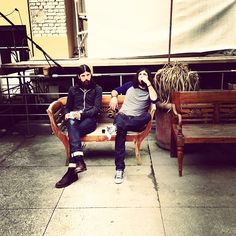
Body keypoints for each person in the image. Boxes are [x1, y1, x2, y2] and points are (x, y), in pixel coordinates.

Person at [107, 67, 158, 184]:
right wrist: (114, 97)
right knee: (121, 129)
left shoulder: (150, 90)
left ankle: (115, 127)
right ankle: (119, 169)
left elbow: (154, 99)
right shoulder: (130, 85)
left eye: (145, 74)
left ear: (148, 77)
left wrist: (149, 84)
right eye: (140, 74)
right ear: (137, 76)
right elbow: (115, 90)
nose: (142, 76)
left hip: (137, 122)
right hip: (123, 117)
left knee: (147, 116)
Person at [55, 64, 103, 188]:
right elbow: (67, 108)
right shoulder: (73, 90)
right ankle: (78, 162)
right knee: (71, 123)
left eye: (88, 75)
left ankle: (72, 170)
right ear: (78, 77)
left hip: (89, 121)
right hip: (74, 121)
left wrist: (80, 115)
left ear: (91, 75)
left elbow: (96, 109)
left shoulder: (97, 89)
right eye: (83, 76)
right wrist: (66, 114)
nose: (86, 78)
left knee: (73, 132)